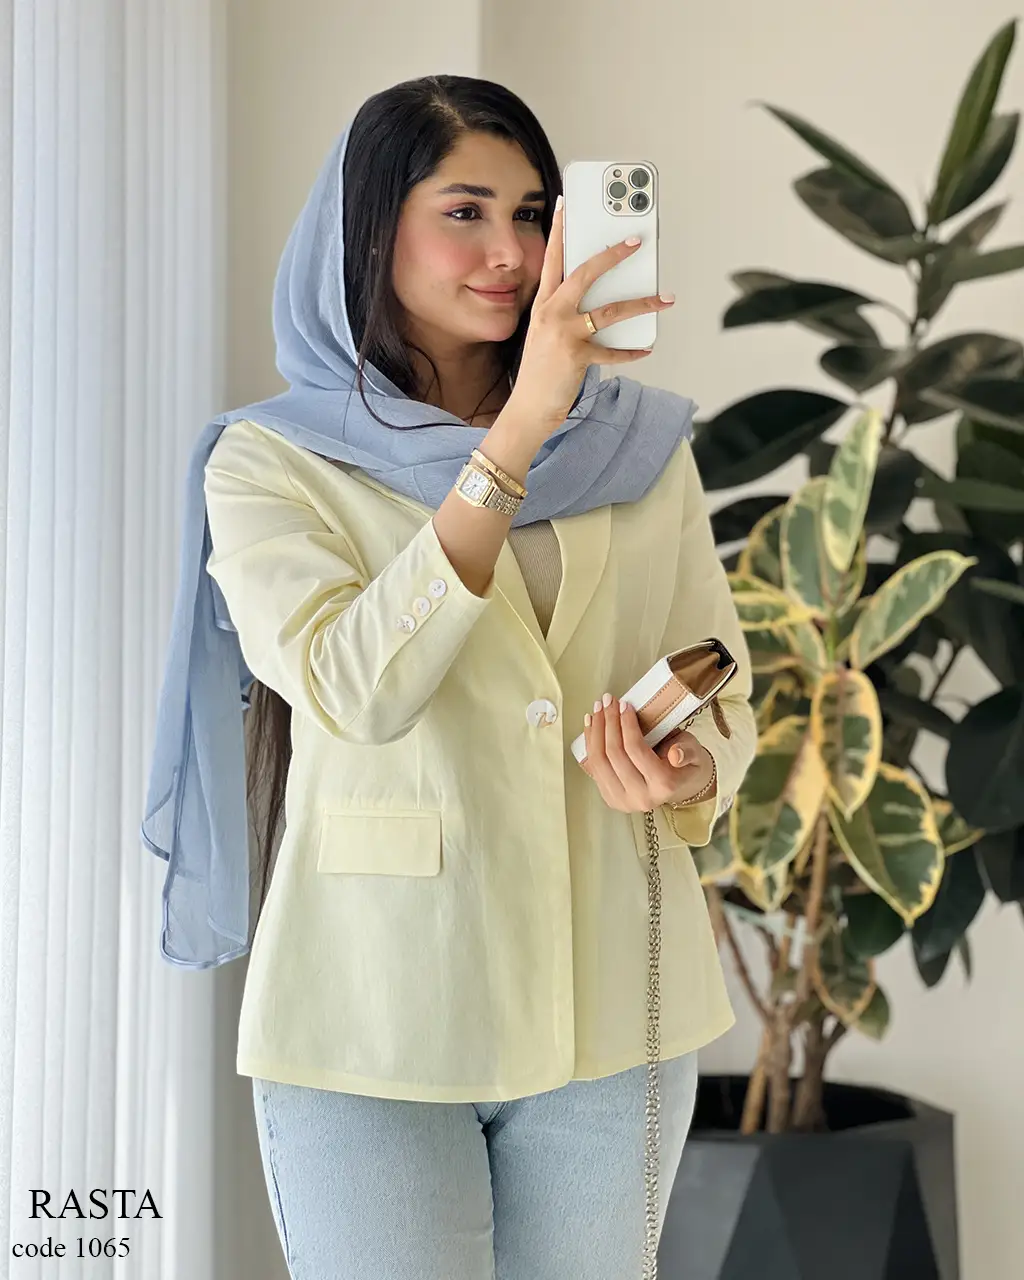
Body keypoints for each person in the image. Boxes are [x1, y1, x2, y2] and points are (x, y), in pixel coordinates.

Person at [187, 74, 755, 1278]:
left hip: (616, 1001)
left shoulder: (642, 448)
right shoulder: (268, 462)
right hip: (372, 1010)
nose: (512, 252)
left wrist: (693, 769)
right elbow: (353, 688)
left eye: (534, 213)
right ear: (369, 229)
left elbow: (722, 678)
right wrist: (516, 436)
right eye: (465, 212)